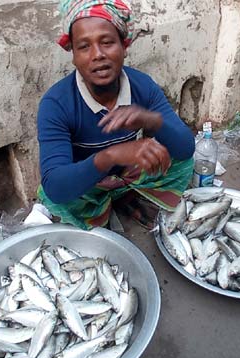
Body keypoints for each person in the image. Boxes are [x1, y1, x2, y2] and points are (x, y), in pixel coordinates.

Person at [36, 0, 195, 230]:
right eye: (84, 47)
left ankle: (125, 196)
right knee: (55, 196)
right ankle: (104, 206)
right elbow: (56, 186)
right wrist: (110, 156)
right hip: (87, 184)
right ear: (73, 56)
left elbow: (185, 149)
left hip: (129, 174)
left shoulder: (142, 86)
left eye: (107, 42)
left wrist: (151, 119)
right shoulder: (56, 104)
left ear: (124, 46)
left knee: (179, 160)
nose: (97, 55)